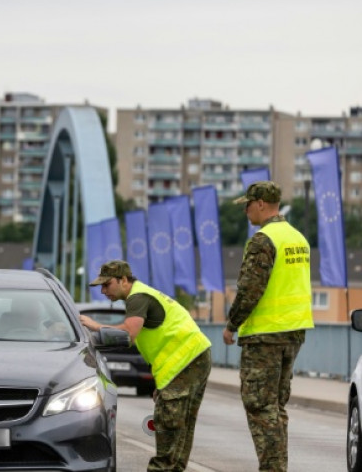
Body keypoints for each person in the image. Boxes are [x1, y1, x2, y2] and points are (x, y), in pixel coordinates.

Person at [79, 260, 211, 471]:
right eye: (101, 286)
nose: (103, 291)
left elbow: (128, 334)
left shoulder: (137, 297)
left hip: (186, 360)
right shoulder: (142, 294)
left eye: (107, 284)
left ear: (123, 280)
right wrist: (163, 384)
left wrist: (95, 327)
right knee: (180, 430)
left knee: (169, 427)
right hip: (193, 358)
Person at [222, 180, 313, 472]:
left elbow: (251, 289)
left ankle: (273, 469)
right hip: (294, 332)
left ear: (261, 204)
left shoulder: (263, 240)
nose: (246, 210)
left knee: (260, 405)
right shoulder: (298, 238)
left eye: (248, 204)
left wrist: (232, 324)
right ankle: (277, 466)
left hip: (265, 335)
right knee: (276, 406)